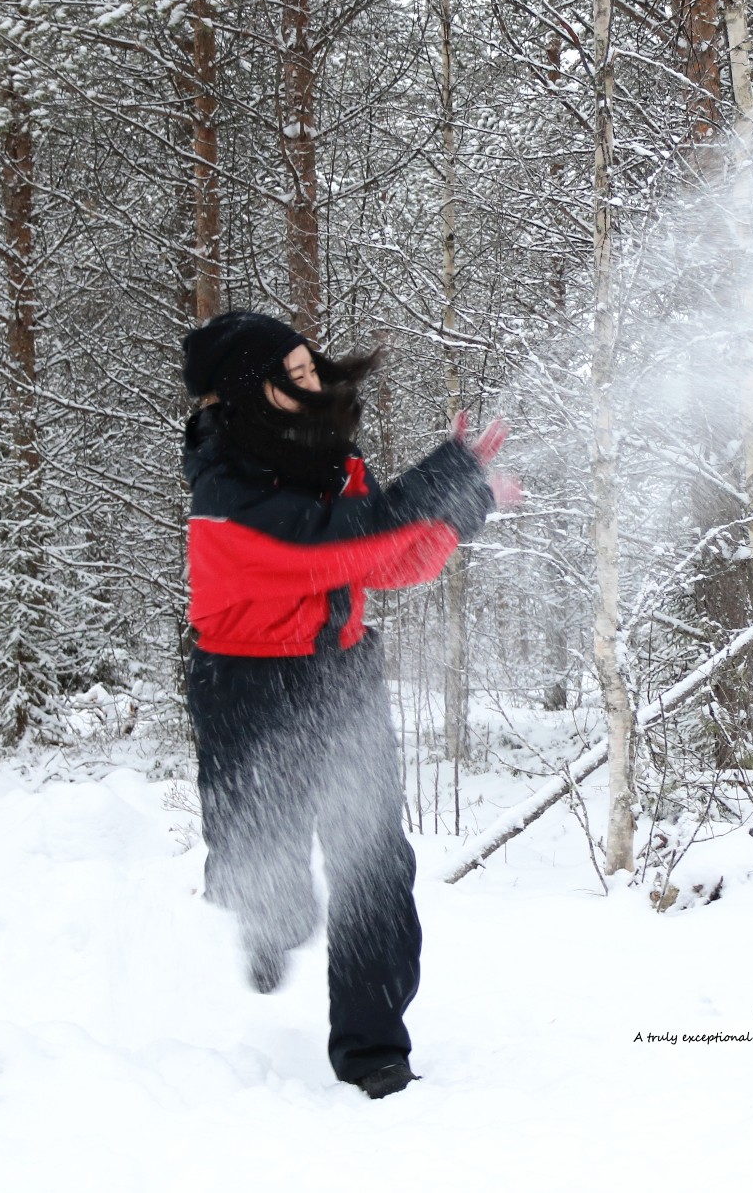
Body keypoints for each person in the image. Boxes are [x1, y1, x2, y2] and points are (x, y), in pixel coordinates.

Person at [180, 310, 517, 1100]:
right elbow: (336, 539)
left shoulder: (333, 463)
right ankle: (268, 916)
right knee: (263, 865)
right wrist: (445, 479)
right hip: (248, 687)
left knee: (373, 865)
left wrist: (465, 507)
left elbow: (385, 559)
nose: (315, 382)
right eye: (293, 373)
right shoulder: (225, 495)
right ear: (246, 390)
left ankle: (372, 1051)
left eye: (312, 366)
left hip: (342, 679)